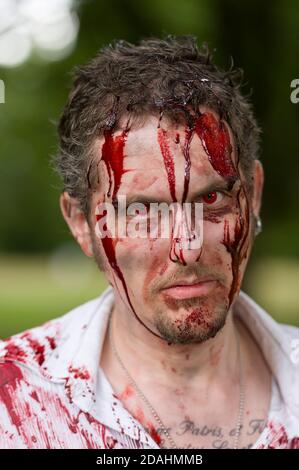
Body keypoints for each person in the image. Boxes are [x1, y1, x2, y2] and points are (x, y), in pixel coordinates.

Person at [0, 36, 298, 450]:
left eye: (211, 199)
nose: (186, 247)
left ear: (256, 193)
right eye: (142, 211)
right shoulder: (12, 404)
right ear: (81, 223)